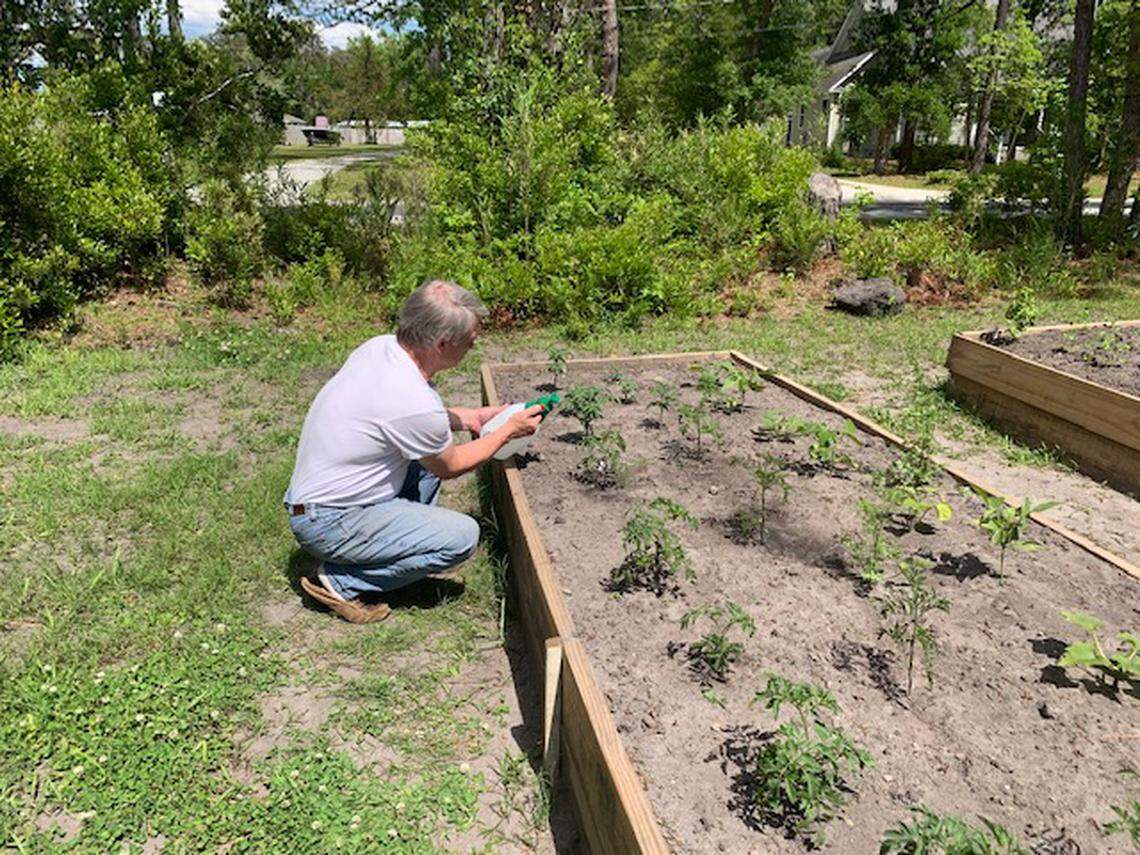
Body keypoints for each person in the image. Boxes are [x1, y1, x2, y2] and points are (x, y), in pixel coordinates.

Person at [284, 279, 543, 623]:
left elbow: (409, 423)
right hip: (330, 520)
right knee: (462, 538)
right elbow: (450, 465)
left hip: (315, 502)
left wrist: (473, 418)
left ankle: (382, 550)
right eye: (469, 342)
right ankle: (341, 581)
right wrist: (510, 430)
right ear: (441, 343)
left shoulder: (380, 348)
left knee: (422, 463)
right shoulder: (412, 400)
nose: (473, 345)